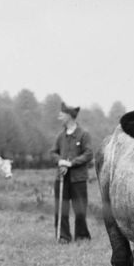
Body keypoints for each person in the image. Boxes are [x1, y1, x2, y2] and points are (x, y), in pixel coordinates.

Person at [50, 101, 93, 243]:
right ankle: (63, 236)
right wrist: (60, 161)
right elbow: (53, 152)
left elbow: (88, 154)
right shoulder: (60, 136)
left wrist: (71, 163)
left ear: (69, 116)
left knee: (80, 209)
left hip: (78, 179)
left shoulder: (83, 134)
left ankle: (81, 236)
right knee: (61, 209)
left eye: (62, 114)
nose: (59, 116)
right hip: (61, 178)